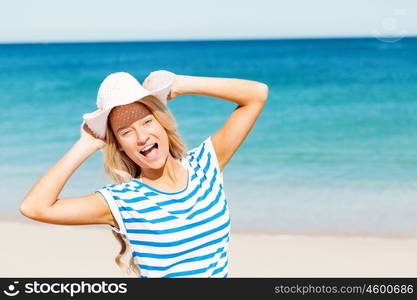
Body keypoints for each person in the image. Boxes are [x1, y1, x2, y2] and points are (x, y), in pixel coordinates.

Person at [20, 70, 269, 278]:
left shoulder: (205, 166)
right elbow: (35, 207)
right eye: (126, 132)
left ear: (162, 122)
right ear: (118, 144)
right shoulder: (123, 201)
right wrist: (87, 144)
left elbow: (256, 95)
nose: (142, 137)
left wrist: (179, 84)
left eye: (147, 122)